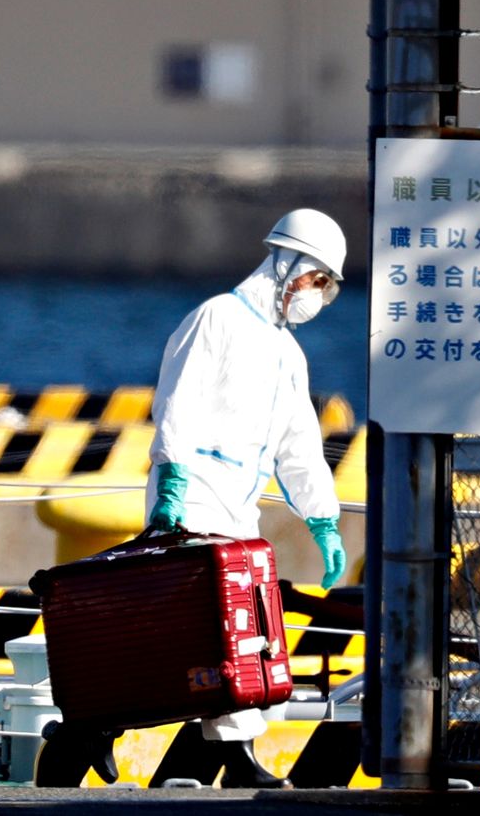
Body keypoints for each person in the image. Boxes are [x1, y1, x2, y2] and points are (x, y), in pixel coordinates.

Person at [145, 208, 348, 789]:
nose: (316, 295)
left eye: (327, 288)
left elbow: (299, 447)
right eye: (315, 280)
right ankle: (227, 758)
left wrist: (324, 520)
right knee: (211, 630)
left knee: (241, 631)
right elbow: (177, 403)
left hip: (239, 507)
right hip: (193, 496)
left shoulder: (288, 353)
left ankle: (222, 756)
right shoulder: (217, 318)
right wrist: (173, 483)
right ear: (286, 264)